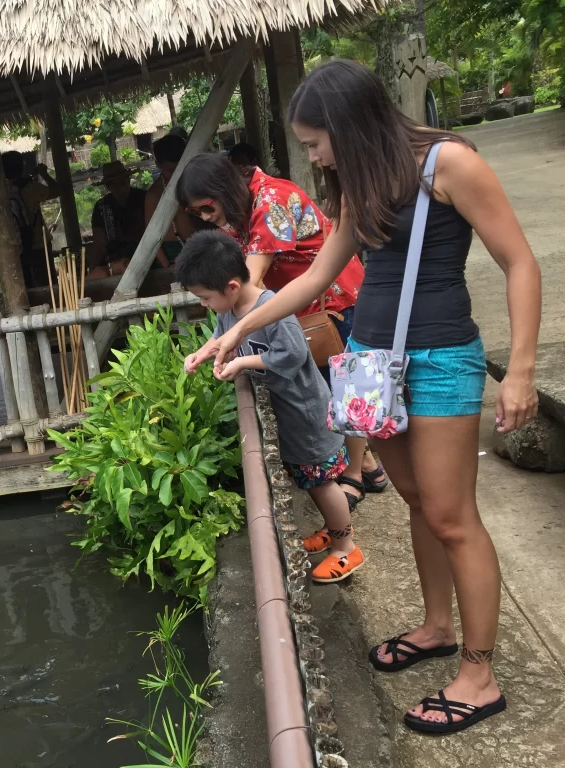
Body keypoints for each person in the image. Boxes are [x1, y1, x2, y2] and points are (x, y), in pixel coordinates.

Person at [208, 59, 541, 733]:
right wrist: (240, 326)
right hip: (372, 368)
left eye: (314, 141)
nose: (312, 155)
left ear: (349, 126)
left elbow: (520, 261)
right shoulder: (360, 183)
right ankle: (438, 626)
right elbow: (319, 276)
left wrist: (523, 370)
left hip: (443, 360)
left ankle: (480, 674)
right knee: (418, 502)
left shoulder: (451, 164)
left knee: (453, 516)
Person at [175, 151, 383, 510]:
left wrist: (228, 338)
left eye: (207, 208)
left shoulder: (271, 200)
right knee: (333, 389)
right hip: (299, 306)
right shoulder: (242, 210)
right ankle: (367, 466)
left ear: (223, 188)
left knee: (343, 391)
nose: (206, 218)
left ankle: (352, 475)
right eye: (198, 213)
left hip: (334, 302)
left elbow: (248, 281)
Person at [179, 230, 363, 583]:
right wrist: (205, 353)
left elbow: (293, 355)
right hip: (289, 414)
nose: (203, 305)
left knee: (323, 483)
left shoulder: (271, 309)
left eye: (204, 298)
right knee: (312, 482)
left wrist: (242, 364)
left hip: (305, 413)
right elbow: (222, 335)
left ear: (231, 285)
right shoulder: (231, 309)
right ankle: (333, 531)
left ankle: (346, 548)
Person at [143, 133, 207, 268]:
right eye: (170, 170)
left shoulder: (197, 183)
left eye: (180, 168)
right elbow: (150, 239)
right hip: (171, 254)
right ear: (158, 165)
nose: (176, 174)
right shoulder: (154, 195)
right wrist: (167, 266)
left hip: (202, 246)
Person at [2, 151, 61, 287]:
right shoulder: (30, 188)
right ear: (22, 167)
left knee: (26, 286)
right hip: (38, 245)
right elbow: (57, 191)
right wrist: (44, 174)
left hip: (15, 249)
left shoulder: (2, 191)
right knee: (48, 286)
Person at [88, 161, 146, 279]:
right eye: (113, 184)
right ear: (108, 186)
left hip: (146, 255)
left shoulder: (145, 198)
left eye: (121, 182)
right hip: (114, 263)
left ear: (128, 179)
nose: (119, 187)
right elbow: (100, 243)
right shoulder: (101, 207)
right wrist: (93, 268)